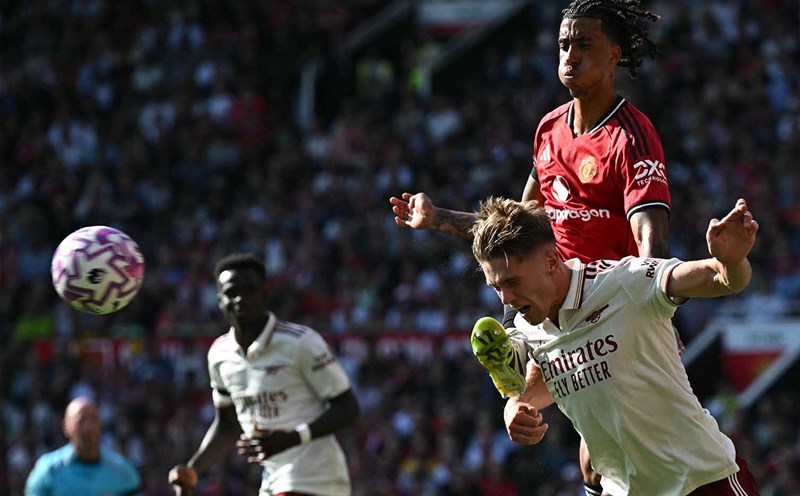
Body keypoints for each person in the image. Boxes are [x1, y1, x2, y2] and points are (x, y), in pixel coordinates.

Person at [389, 1, 673, 492]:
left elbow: (652, 237)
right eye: (565, 44)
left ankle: (522, 380)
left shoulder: (632, 135)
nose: (571, 55)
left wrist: (653, 297)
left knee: (606, 459)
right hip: (557, 306)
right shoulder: (549, 131)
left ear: (614, 56)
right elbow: (518, 229)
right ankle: (520, 383)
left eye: (585, 44)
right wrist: (439, 219)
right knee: (592, 459)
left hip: (612, 310)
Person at [470, 196, 761, 495]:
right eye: (497, 288)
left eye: (513, 282)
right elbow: (561, 375)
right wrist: (515, 406)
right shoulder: (527, 328)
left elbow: (722, 279)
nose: (505, 299)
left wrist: (732, 261)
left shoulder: (625, 282)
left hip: (702, 481)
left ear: (550, 261)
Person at [168, 253, 360, 496]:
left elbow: (348, 408)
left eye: (249, 290)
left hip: (316, 478)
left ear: (265, 294)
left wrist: (293, 438)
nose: (240, 299)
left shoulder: (300, 343)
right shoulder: (219, 354)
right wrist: (193, 470)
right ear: (219, 300)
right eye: (231, 293)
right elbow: (227, 425)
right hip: (273, 480)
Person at [25, 396, 143, 496]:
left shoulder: (123, 472)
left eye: (94, 419)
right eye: (81, 420)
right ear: (65, 426)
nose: (88, 427)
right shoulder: (48, 471)